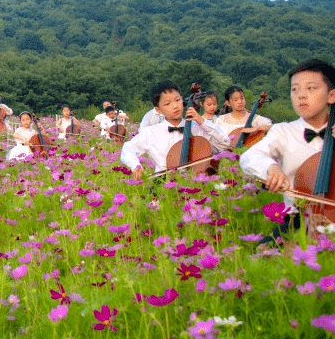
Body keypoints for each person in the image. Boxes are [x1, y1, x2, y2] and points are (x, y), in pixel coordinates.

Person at [241, 59, 335, 235]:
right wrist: (271, 167)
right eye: (295, 89)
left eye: (311, 88)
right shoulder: (283, 130)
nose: (301, 95)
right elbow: (249, 157)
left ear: (332, 96)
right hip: (296, 219)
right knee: (263, 252)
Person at [119, 80, 227, 178]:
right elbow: (128, 148)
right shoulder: (150, 132)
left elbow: (224, 143)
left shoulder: (197, 127)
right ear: (159, 110)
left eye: (177, 100)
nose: (175, 106)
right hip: (164, 186)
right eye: (167, 104)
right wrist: (135, 164)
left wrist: (201, 121)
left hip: (196, 184)